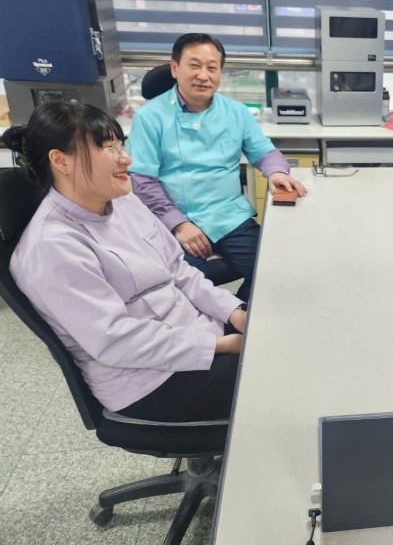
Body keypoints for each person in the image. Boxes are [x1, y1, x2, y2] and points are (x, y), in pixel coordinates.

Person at [5, 102, 247, 422]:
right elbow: (115, 340)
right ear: (61, 160)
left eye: (121, 145)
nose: (126, 158)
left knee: (280, 333)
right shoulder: (51, 246)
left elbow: (178, 270)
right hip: (149, 381)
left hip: (196, 332)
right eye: (109, 148)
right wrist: (221, 345)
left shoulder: (124, 202)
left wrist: (233, 312)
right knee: (276, 376)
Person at [126, 33, 306, 302]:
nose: (203, 75)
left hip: (229, 218)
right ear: (175, 68)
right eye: (194, 66)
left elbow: (264, 152)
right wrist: (179, 224)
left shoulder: (236, 112)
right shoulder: (149, 118)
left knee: (275, 271)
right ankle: (218, 326)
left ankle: (239, 319)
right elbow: (143, 181)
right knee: (185, 293)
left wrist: (277, 172)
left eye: (212, 68)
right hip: (176, 220)